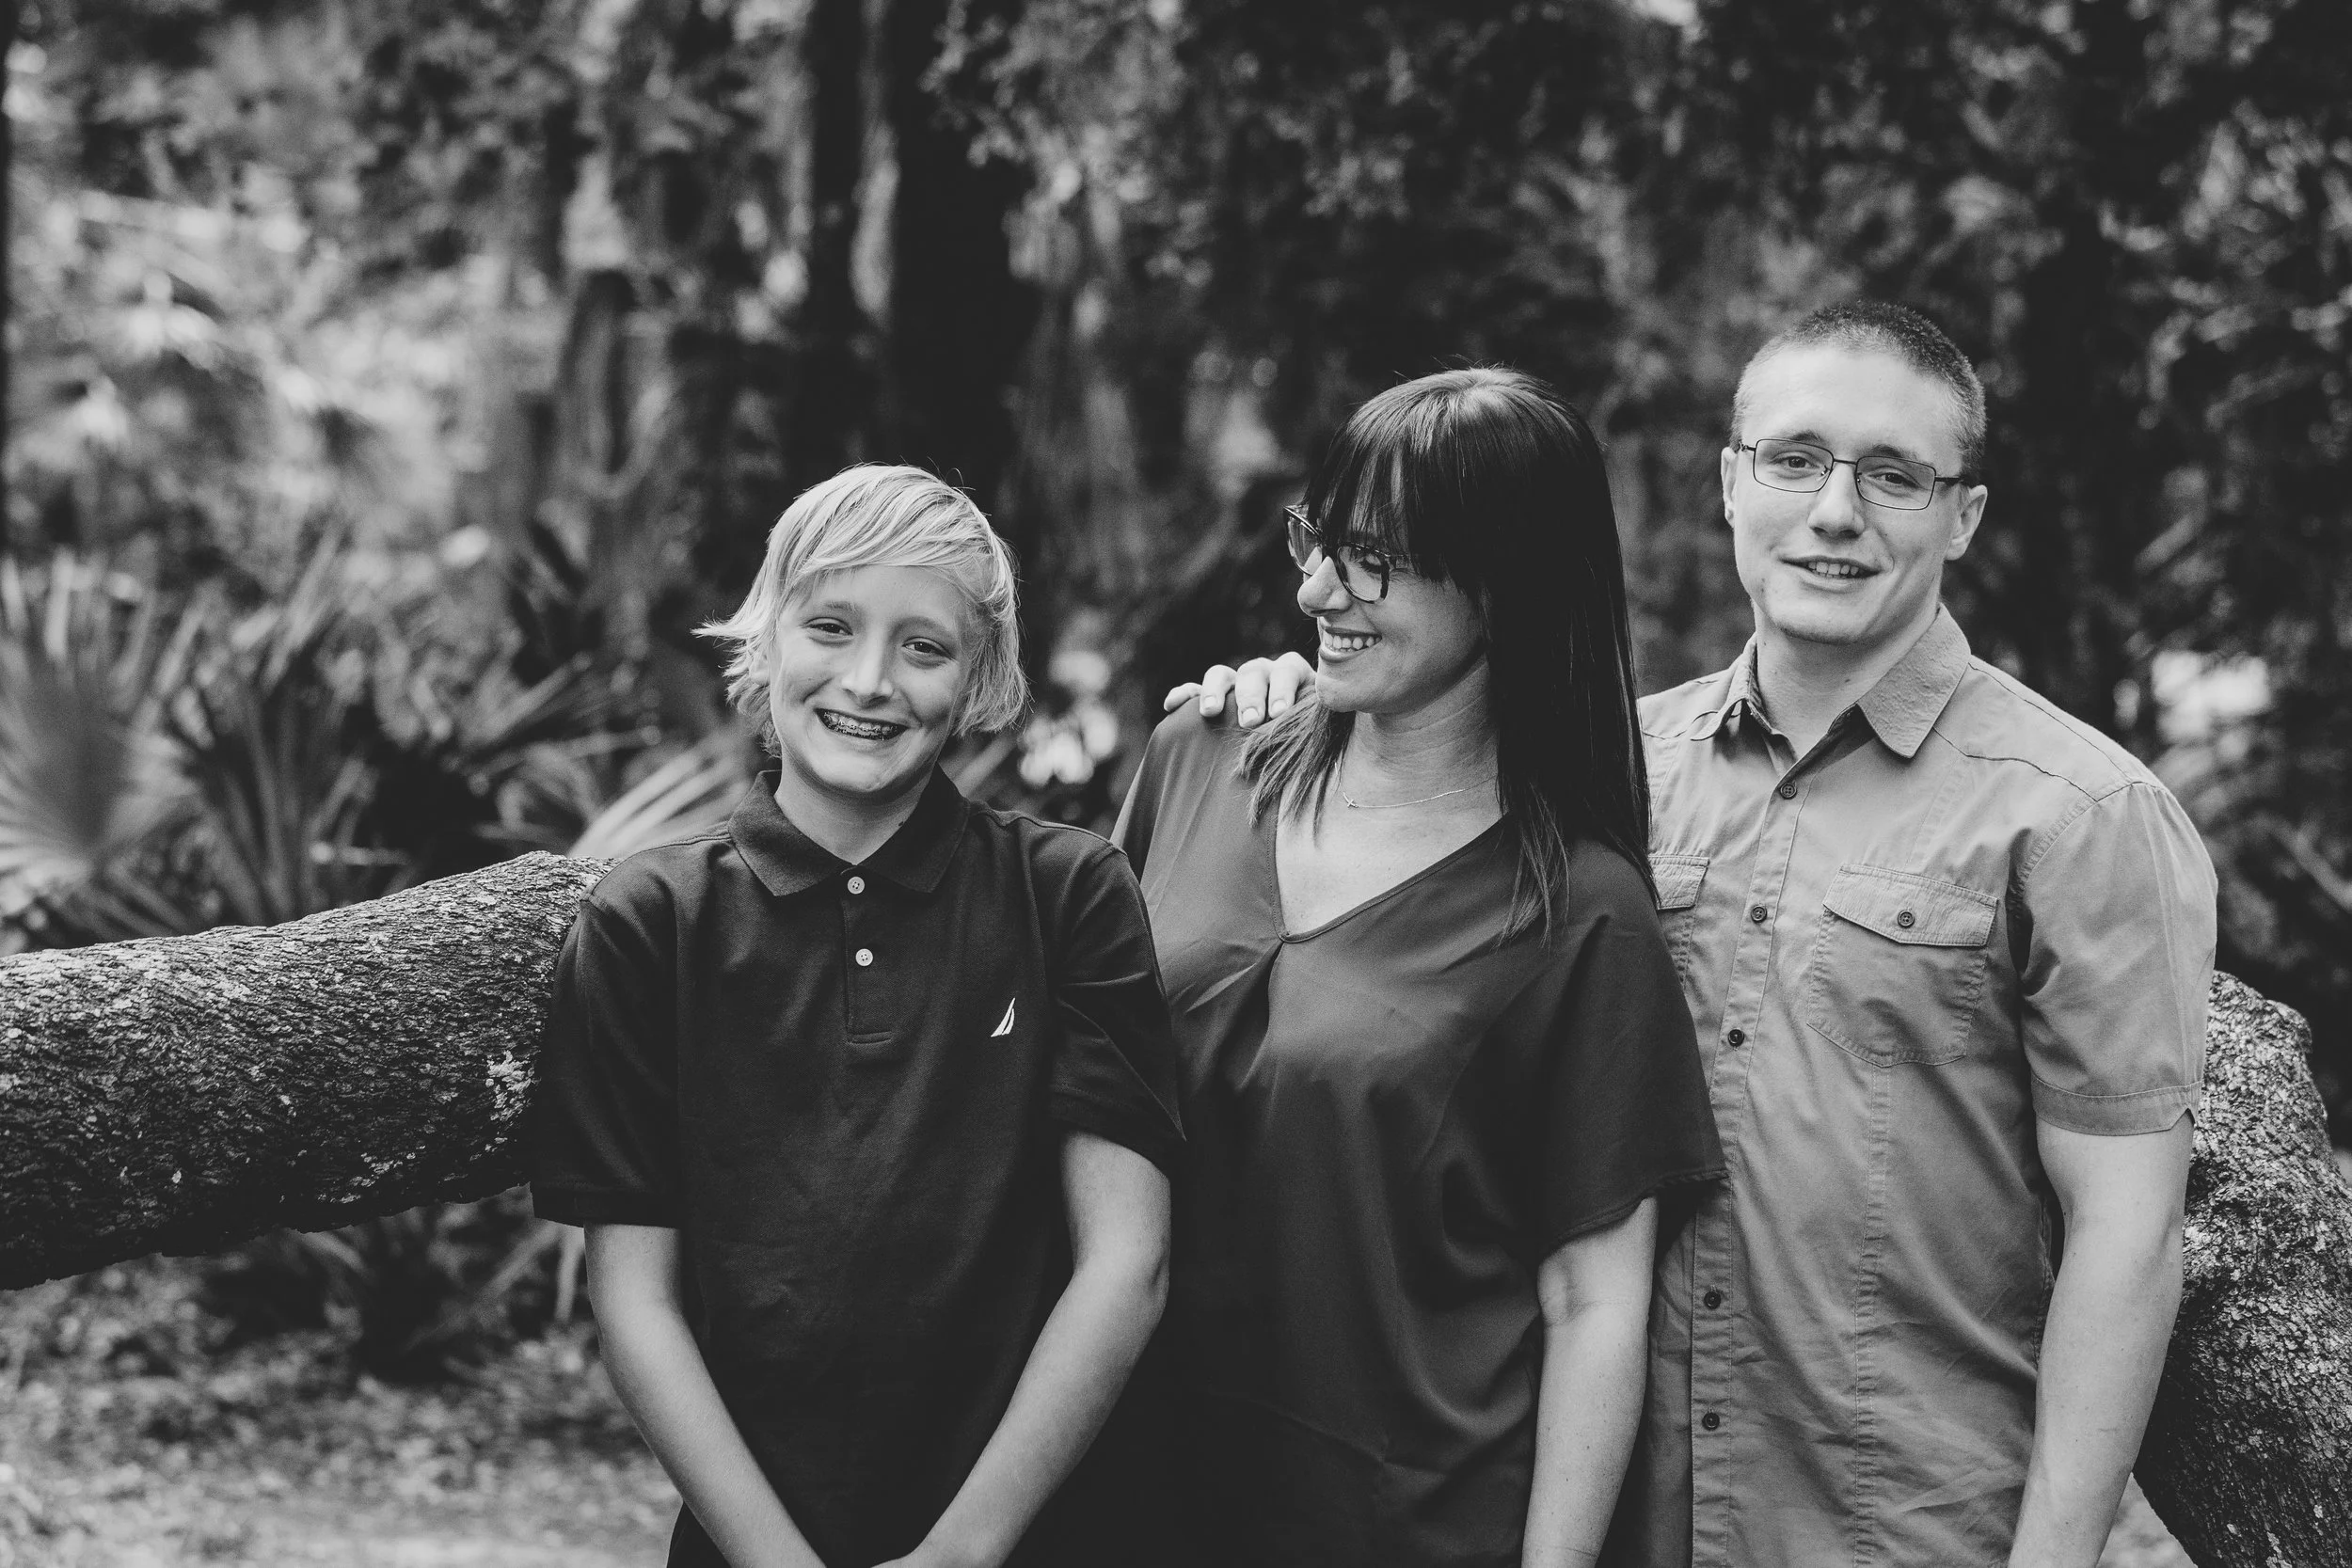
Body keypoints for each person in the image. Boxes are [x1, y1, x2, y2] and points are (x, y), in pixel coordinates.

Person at [1179, 304, 2218, 1568]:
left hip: (1902, 1524)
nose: (1835, 511)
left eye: (1895, 475)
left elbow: (2127, 1239)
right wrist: (1295, 697)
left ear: (1964, 516)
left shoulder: (2081, 815)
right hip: (1632, 1513)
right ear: (1731, 483)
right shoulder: (1602, 772)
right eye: (1794, 458)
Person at [1119, 367, 1724, 1567]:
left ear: (1506, 584)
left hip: (1406, 1517)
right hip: (1135, 1494)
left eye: (1372, 558)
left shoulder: (1579, 910)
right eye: (1317, 539)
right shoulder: (1199, 754)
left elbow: (1594, 1304)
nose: (1316, 589)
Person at [530, 464, 1184, 1568]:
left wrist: (958, 1554)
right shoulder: (651, 920)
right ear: (768, 635)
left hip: (1033, 1535)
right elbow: (635, 1302)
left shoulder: (1068, 893)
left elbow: (1126, 1261)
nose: (870, 680)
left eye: (924, 646)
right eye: (830, 626)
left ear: (979, 677)